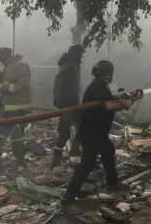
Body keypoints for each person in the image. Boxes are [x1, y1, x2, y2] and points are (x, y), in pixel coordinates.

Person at [63, 60, 142, 208]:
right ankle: (69, 198)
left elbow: (108, 102)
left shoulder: (100, 86)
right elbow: (110, 105)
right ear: (109, 73)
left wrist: (129, 98)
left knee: (108, 152)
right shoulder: (98, 86)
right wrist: (126, 104)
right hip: (91, 133)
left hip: (98, 132)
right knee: (87, 164)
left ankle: (112, 183)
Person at [0, 47, 32, 172]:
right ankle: (7, 161)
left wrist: (5, 89)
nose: (2, 63)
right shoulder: (9, 67)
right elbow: (9, 83)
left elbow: (24, 84)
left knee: (16, 136)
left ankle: (20, 163)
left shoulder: (20, 65)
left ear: (7, 56)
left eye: (2, 60)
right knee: (5, 134)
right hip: (8, 107)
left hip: (18, 107)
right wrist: (0, 87)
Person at [51, 44, 84, 172]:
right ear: (76, 54)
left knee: (65, 132)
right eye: (81, 54)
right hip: (68, 105)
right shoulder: (71, 68)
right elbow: (67, 90)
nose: (82, 56)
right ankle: (72, 155)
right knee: (77, 128)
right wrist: (68, 108)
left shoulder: (68, 65)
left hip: (67, 104)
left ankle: (58, 160)